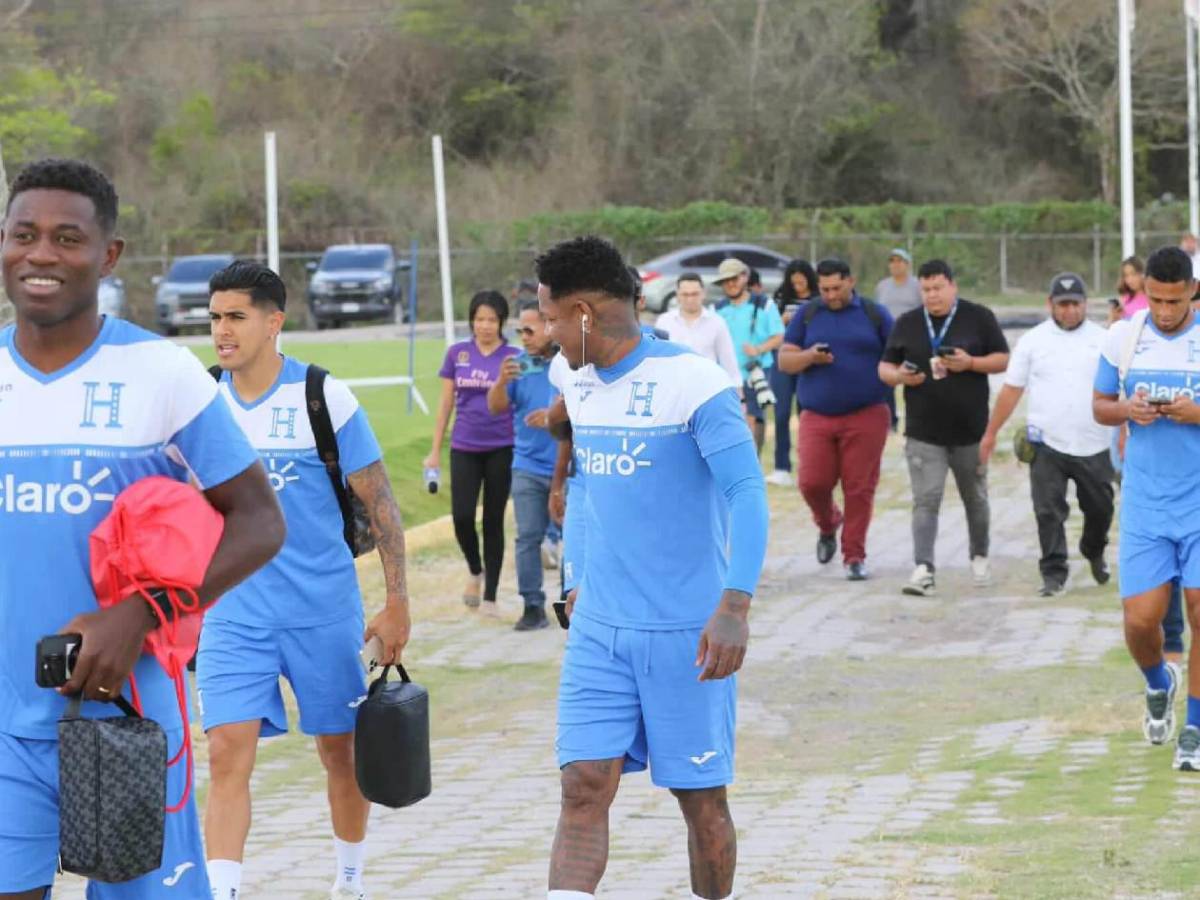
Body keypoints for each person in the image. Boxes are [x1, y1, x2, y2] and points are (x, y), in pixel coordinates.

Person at [0, 158, 284, 900]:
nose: (40, 255)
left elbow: (258, 522)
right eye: (23, 234)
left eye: (67, 238)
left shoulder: (160, 371)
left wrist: (143, 610)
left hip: (126, 717)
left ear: (108, 255)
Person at [535, 236, 768, 900]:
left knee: (701, 806)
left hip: (686, 638)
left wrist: (734, 607)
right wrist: (575, 577)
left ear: (582, 312)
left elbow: (747, 494)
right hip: (599, 635)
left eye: (551, 318)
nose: (547, 335)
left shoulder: (692, 382)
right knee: (582, 786)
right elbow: (584, 485)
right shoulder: (574, 383)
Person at [201, 260, 412, 900]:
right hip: (233, 615)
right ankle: (224, 891)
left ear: (274, 321)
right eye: (214, 318)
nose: (221, 331)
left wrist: (397, 602)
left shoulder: (322, 396)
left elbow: (381, 507)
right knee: (225, 754)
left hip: (324, 611)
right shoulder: (202, 402)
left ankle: (349, 882)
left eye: (236, 317)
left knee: (340, 755)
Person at [1093, 246, 1200, 771]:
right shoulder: (1124, 336)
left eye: (1174, 302)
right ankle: (1160, 682)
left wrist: (1195, 413)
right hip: (1146, 502)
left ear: (1192, 292)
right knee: (1141, 621)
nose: (1163, 311)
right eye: (1155, 299)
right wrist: (1127, 409)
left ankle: (1195, 730)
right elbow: (1099, 405)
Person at [878, 259, 1010, 596]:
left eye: (938, 288)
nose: (932, 295)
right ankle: (923, 567)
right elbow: (884, 366)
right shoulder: (908, 322)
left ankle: (979, 555)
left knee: (975, 498)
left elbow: (1003, 359)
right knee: (926, 499)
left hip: (970, 429)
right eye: (926, 289)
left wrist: (971, 363)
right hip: (924, 431)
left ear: (953, 286)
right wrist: (899, 377)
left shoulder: (978, 317)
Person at [980, 273, 1114, 596]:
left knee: (1101, 509)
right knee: (1047, 510)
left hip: (1093, 442)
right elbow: (1012, 390)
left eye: (1075, 304)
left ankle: (1093, 549)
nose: (1069, 311)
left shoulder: (1105, 339)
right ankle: (1053, 574)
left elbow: (1119, 390)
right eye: (1062, 304)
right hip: (1047, 443)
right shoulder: (1033, 341)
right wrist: (991, 432)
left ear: (1085, 304)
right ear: (1050, 305)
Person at [777, 258, 893, 580]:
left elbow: (897, 353)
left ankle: (854, 556)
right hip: (817, 415)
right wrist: (810, 356)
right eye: (824, 289)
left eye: (836, 288)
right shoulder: (808, 313)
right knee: (812, 482)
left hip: (867, 413)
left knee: (859, 488)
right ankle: (828, 523)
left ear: (851, 281)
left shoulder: (874, 314)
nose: (830, 295)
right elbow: (786, 361)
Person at [424, 291, 520, 615]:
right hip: (464, 445)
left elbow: (519, 401)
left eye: (492, 320)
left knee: (493, 521)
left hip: (502, 446)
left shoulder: (513, 357)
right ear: (472, 321)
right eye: (480, 319)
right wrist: (434, 450)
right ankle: (475, 570)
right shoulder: (458, 354)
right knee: (463, 516)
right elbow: (445, 405)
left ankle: (491, 595)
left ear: (502, 322)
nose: (485, 326)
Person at [487, 298, 561, 631]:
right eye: (519, 331)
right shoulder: (516, 363)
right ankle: (533, 606)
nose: (524, 337)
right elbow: (495, 407)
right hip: (528, 466)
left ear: (550, 325)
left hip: (569, 466)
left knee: (578, 537)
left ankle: (574, 601)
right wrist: (501, 382)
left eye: (529, 330)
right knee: (527, 537)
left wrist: (553, 418)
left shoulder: (571, 362)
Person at [713, 257, 785, 456]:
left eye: (734, 279)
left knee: (753, 416)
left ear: (744, 277)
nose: (730, 284)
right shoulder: (716, 310)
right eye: (725, 281)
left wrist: (760, 349)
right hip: (725, 375)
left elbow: (779, 336)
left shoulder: (764, 304)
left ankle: (752, 461)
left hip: (755, 372)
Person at [766, 259, 818, 486]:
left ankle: (811, 464)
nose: (798, 284)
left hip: (807, 360)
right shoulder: (779, 299)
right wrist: (782, 320)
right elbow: (769, 328)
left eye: (802, 280)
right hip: (783, 360)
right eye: (794, 281)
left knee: (807, 414)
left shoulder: (818, 300)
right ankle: (781, 466)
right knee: (781, 413)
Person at [654, 272, 740, 386]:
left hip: (708, 389)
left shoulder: (717, 322)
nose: (690, 299)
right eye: (685, 294)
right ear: (677, 295)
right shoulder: (664, 322)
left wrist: (739, 395)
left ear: (703, 294)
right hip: (673, 388)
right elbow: (657, 359)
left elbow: (729, 362)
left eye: (694, 294)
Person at [875, 247, 923, 317]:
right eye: (892, 261)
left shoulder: (918, 284)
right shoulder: (881, 286)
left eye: (899, 261)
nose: (895, 264)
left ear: (908, 265)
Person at [1109, 255, 1147, 324]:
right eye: (1126, 276)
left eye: (1133, 274)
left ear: (1142, 273)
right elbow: (1111, 328)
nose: (1130, 280)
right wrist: (1114, 317)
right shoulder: (1124, 299)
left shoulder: (1152, 297)